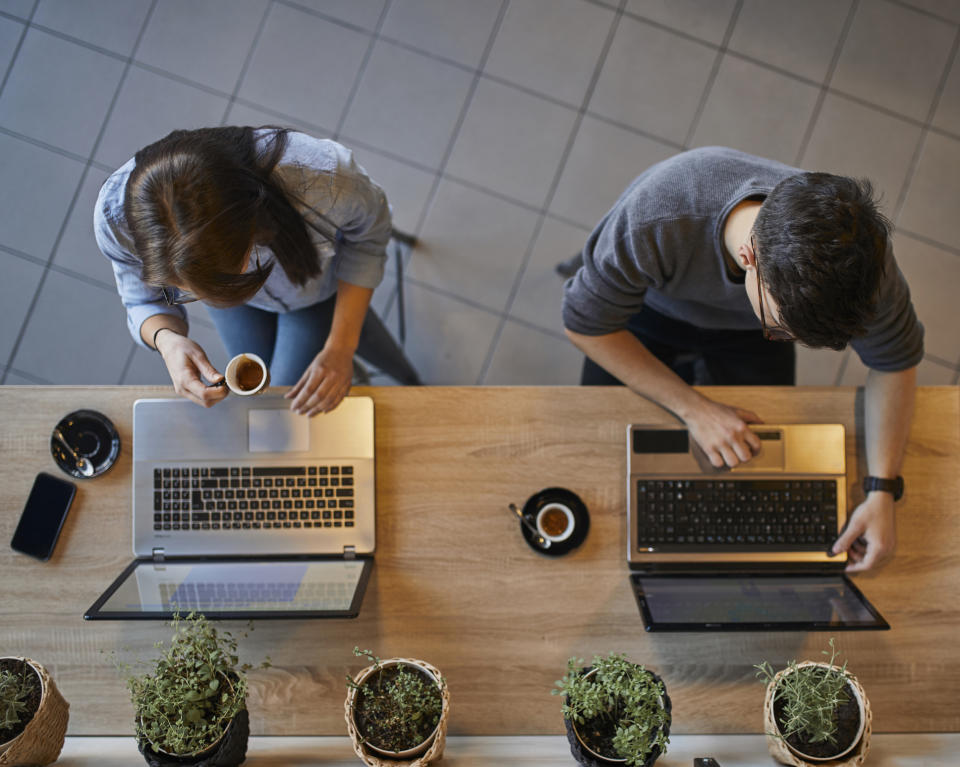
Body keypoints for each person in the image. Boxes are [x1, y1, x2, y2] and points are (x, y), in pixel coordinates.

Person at [562, 147, 923, 573]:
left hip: (746, 337)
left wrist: (881, 490)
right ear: (749, 255)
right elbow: (585, 325)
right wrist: (694, 409)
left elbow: (894, 361)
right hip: (649, 312)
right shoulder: (659, 216)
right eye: (781, 329)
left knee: (758, 472)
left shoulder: (864, 262)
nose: (787, 340)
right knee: (594, 453)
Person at [95, 126, 419, 417]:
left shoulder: (322, 177)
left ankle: (407, 381)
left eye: (217, 281)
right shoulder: (116, 219)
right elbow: (140, 301)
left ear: (251, 234)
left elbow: (369, 240)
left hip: (315, 290)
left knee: (282, 404)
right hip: (247, 300)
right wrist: (167, 340)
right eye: (184, 290)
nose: (207, 301)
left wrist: (341, 347)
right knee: (262, 399)